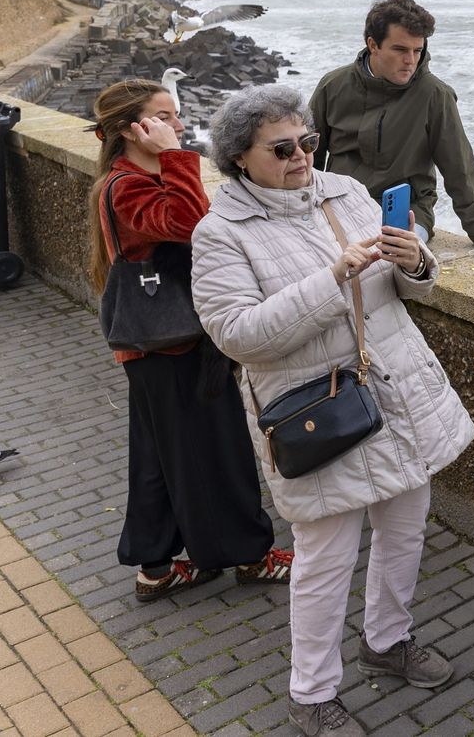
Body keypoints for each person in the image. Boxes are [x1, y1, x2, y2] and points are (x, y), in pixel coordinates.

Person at [192, 84, 474, 737]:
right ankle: (312, 695)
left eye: (308, 142)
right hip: (320, 416)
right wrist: (332, 279)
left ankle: (388, 640)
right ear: (239, 158)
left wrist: (417, 261)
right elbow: (238, 335)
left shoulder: (345, 192)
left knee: (405, 533)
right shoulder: (219, 234)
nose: (300, 156)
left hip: (397, 394)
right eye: (281, 149)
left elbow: (401, 287)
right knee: (325, 563)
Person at [84, 79, 290, 601]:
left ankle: (155, 566)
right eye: (164, 117)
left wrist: (170, 160)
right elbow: (192, 223)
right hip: (171, 345)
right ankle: (250, 555)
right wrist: (176, 158)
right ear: (132, 128)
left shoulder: (135, 178)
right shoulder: (126, 186)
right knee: (217, 451)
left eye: (175, 116)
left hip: (157, 347)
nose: (177, 125)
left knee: (159, 457)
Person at [308, 0, 474, 250]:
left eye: (417, 50)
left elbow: (459, 167)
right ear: (373, 45)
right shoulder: (333, 86)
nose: (410, 60)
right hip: (341, 205)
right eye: (400, 50)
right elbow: (308, 156)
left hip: (407, 212)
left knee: (387, 256)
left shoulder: (434, 95)